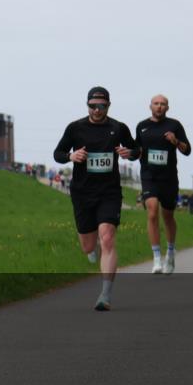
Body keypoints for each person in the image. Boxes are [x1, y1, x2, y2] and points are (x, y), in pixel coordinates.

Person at [53, 86, 139, 310]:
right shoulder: (75, 128)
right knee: (87, 246)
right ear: (87, 106)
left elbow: (136, 150)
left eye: (101, 106)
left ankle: (105, 295)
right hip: (82, 193)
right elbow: (58, 154)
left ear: (108, 105)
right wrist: (71, 155)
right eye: (92, 106)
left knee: (107, 238)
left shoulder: (118, 128)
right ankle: (92, 250)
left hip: (109, 192)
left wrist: (130, 153)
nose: (97, 110)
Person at [135, 94, 191, 275]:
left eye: (163, 104)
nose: (159, 106)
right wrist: (131, 153)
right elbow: (136, 150)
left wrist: (176, 141)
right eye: (156, 103)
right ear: (150, 106)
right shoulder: (142, 126)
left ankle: (170, 253)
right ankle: (156, 257)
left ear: (167, 108)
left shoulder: (175, 125)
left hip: (168, 178)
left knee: (167, 216)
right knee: (152, 211)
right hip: (149, 176)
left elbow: (187, 150)